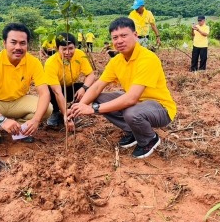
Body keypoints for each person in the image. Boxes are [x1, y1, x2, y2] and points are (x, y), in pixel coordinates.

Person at [69, 17, 176, 159]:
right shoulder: (117, 61)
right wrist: (77, 108)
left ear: (135, 35)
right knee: (99, 98)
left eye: (124, 35)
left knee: (131, 112)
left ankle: (149, 139)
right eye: (115, 37)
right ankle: (133, 131)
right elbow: (97, 87)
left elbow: (131, 98)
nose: (119, 41)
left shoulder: (147, 59)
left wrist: (93, 109)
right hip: (138, 105)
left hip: (160, 108)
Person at [0, 23, 52, 145]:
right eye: (13, 42)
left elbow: (44, 93)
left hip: (18, 101)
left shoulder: (34, 63)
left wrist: (36, 120)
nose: (18, 47)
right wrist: (2, 120)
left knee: (47, 109)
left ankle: (22, 128)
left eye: (23, 43)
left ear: (28, 44)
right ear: (4, 43)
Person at [44, 33, 95, 129]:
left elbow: (91, 75)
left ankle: (72, 111)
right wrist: (65, 116)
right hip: (55, 91)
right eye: (64, 49)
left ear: (75, 47)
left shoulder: (79, 54)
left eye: (71, 48)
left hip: (70, 87)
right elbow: (57, 92)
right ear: (56, 48)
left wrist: (84, 88)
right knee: (49, 92)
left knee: (88, 90)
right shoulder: (50, 63)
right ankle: (55, 112)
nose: (68, 52)